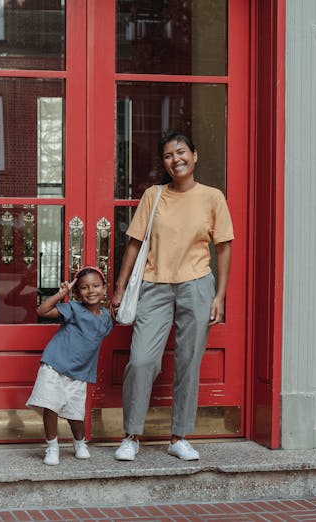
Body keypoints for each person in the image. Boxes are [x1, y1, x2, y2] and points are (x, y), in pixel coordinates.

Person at [110, 131, 233, 462]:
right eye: (168, 155)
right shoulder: (154, 195)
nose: (176, 159)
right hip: (154, 284)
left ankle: (179, 436)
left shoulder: (212, 197)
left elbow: (223, 247)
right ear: (163, 163)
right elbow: (135, 242)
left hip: (197, 285)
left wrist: (220, 295)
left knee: (188, 362)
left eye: (181, 152)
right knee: (141, 360)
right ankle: (130, 436)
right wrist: (120, 287)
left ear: (195, 155)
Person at [26, 266, 113, 465]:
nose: (91, 290)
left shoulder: (107, 317)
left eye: (96, 286)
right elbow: (42, 311)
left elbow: (124, 316)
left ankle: (79, 442)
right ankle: (52, 447)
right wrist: (61, 294)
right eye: (84, 287)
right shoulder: (73, 308)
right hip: (54, 365)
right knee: (50, 407)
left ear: (104, 289)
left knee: (75, 413)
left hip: (80, 373)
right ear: (77, 292)